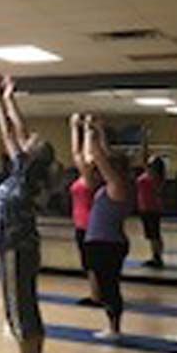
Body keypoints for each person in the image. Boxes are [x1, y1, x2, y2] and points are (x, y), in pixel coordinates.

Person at [0, 74, 54, 353]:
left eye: (30, 141)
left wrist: (0, 99)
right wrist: (4, 98)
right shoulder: (23, 173)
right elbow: (12, 129)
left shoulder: (27, 179)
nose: (25, 138)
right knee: (28, 308)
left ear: (32, 156)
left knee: (18, 312)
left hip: (16, 250)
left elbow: (12, 131)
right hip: (19, 249)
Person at [83, 116, 131, 340]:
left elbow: (101, 157)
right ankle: (112, 326)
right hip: (101, 242)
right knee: (103, 288)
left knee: (109, 287)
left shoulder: (118, 185)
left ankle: (114, 329)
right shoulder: (115, 185)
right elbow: (106, 155)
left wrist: (90, 131)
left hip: (107, 244)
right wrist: (101, 131)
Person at [69, 113, 102, 303]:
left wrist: (75, 128)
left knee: (91, 263)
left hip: (87, 226)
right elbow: (82, 154)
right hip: (85, 225)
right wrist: (87, 129)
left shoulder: (90, 180)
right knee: (90, 262)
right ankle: (97, 293)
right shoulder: (88, 179)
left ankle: (96, 296)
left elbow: (77, 154)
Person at [136, 129, 166, 267]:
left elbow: (143, 157)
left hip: (151, 209)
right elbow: (144, 157)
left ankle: (157, 257)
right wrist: (144, 141)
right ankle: (156, 256)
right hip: (147, 208)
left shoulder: (153, 176)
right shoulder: (151, 175)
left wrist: (144, 140)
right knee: (153, 235)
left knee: (154, 235)